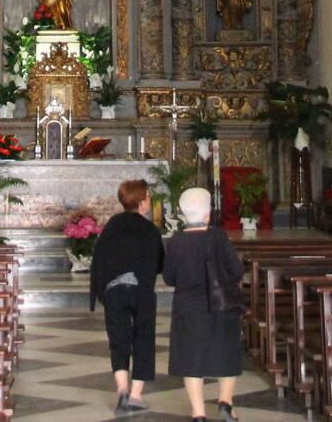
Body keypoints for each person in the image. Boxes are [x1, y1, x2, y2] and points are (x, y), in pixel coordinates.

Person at [164, 188, 245, 422]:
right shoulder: (218, 237)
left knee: (191, 358)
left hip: (188, 307)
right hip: (221, 305)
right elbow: (236, 271)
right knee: (226, 352)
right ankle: (225, 402)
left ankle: (198, 412)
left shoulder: (176, 241)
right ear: (208, 213)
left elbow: (169, 278)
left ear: (183, 214)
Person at [90, 180, 162, 413]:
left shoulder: (112, 226)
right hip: (142, 291)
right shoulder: (149, 229)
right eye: (148, 197)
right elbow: (159, 263)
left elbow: (99, 259)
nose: (149, 200)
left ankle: (122, 391)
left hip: (114, 291)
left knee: (118, 340)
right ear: (141, 202)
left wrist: (102, 291)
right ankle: (136, 396)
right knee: (144, 339)